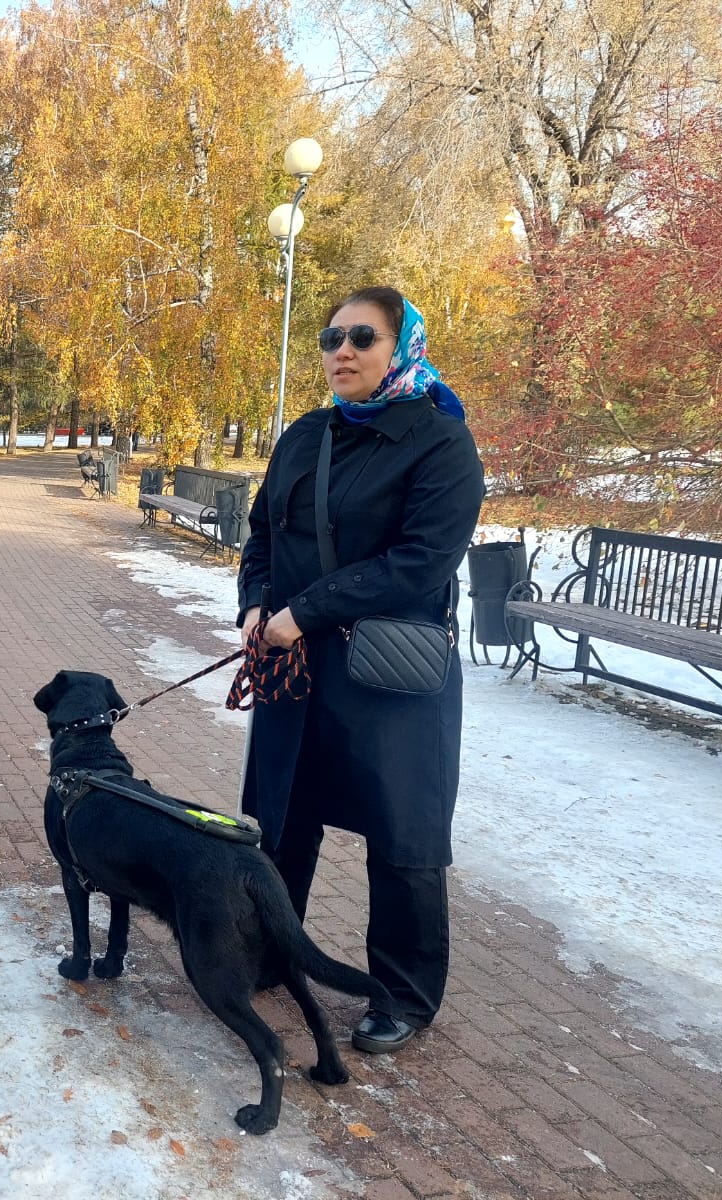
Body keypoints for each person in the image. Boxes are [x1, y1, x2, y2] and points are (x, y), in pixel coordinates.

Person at [236, 286, 484, 1055]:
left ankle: (401, 994)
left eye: (362, 337)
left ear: (399, 345)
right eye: (330, 335)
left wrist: (302, 611)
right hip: (295, 667)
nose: (341, 350)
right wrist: (252, 603)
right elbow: (261, 533)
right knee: (280, 818)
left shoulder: (440, 441)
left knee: (403, 837)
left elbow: (420, 562)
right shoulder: (305, 435)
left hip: (388, 680)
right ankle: (273, 948)